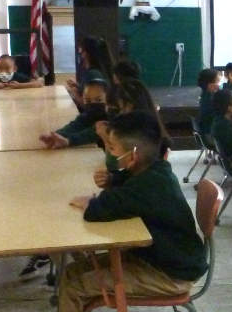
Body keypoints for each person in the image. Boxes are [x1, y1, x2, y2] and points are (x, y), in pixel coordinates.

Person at [61, 112, 207, 312]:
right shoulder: (155, 169)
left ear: (133, 156)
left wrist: (92, 202)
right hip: (157, 257)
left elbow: (98, 210)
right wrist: (113, 181)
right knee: (72, 271)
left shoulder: (149, 184)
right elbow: (125, 189)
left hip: (170, 274)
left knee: (74, 287)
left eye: (112, 148)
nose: (109, 153)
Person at [39, 79, 111, 149]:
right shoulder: (87, 115)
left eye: (98, 100)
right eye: (88, 100)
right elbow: (74, 126)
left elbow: (90, 134)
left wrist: (68, 141)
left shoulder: (111, 118)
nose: (93, 103)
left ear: (109, 99)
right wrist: (56, 135)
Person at [65, 37, 114, 108]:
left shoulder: (93, 74)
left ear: (86, 53)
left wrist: (74, 92)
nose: (79, 53)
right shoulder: (94, 72)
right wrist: (78, 86)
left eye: (81, 50)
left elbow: (88, 105)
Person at [196, 68, 221, 139]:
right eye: (218, 82)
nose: (219, 85)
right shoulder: (210, 100)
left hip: (207, 133)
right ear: (210, 85)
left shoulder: (205, 96)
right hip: (211, 136)